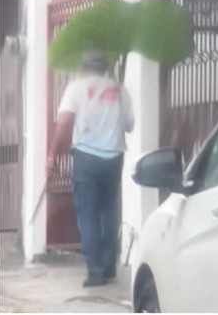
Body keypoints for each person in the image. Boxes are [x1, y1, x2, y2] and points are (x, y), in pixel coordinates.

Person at [47, 49, 134, 287]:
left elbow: (64, 123)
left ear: (83, 68)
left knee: (88, 214)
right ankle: (108, 267)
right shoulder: (120, 90)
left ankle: (95, 271)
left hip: (86, 157)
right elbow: (129, 125)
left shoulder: (76, 88)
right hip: (114, 157)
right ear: (105, 67)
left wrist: (53, 154)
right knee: (109, 212)